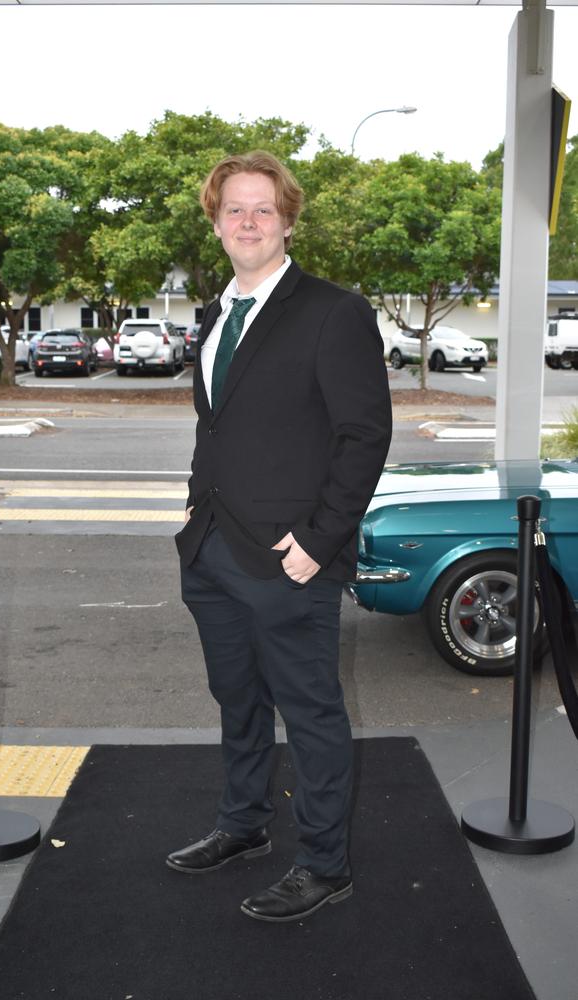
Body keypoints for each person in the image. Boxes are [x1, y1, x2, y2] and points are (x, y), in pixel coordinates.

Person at [170, 150, 392, 923]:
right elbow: (220, 429)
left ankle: (325, 865)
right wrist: (192, 518)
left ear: (288, 219)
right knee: (237, 699)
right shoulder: (216, 312)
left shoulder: (334, 311)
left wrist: (318, 544)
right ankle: (244, 824)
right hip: (212, 550)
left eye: (263, 208)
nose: (248, 221)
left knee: (312, 711)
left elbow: (363, 437)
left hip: (288, 559)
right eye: (234, 208)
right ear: (216, 221)